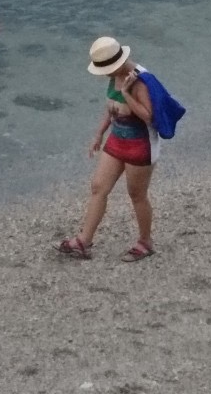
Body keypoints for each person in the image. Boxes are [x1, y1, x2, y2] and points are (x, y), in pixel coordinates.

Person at [57, 36, 160, 262]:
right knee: (98, 187)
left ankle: (145, 242)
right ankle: (84, 241)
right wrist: (99, 134)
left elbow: (148, 116)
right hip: (116, 139)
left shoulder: (141, 82)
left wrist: (126, 93)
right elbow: (110, 109)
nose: (105, 74)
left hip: (139, 144)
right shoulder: (115, 75)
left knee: (137, 194)